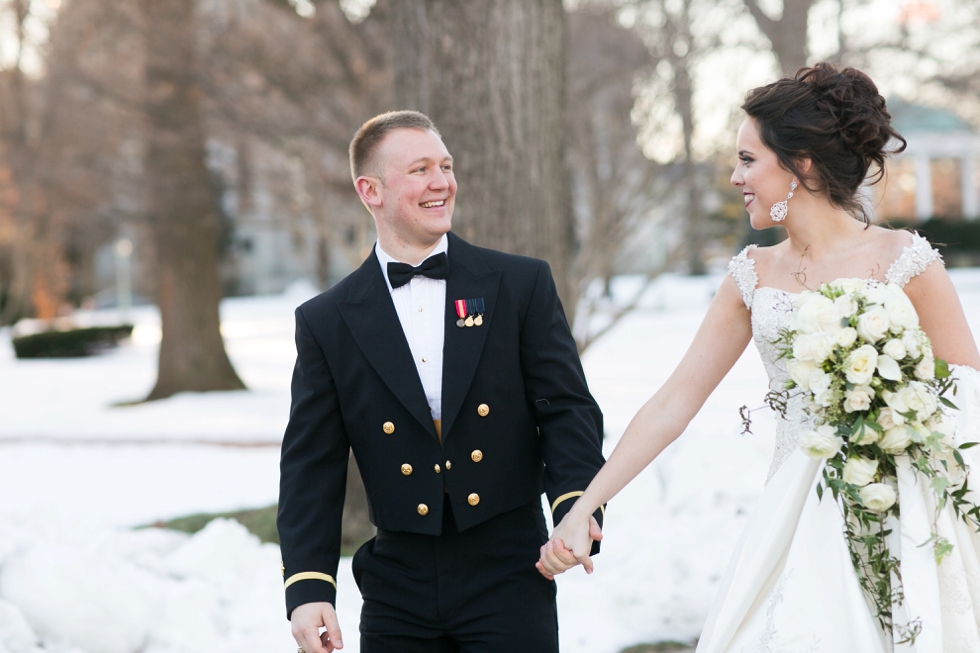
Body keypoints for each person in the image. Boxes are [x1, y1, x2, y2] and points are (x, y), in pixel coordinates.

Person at [537, 62, 980, 651]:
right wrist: (585, 504)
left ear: (800, 164)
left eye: (748, 160)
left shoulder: (904, 260)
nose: (734, 176)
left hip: (902, 517)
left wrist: (892, 424)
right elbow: (674, 402)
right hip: (792, 517)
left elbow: (968, 395)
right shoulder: (752, 275)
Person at [278, 110, 606, 653]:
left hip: (509, 571)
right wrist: (309, 586)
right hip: (396, 582)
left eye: (446, 166)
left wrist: (575, 506)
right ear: (371, 190)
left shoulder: (518, 284)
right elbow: (312, 462)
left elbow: (566, 407)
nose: (442, 182)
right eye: (421, 169)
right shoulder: (327, 319)